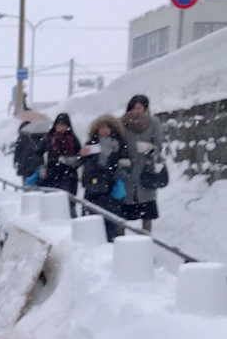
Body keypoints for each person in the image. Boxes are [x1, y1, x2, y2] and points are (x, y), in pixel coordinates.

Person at [79, 114, 129, 242]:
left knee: (111, 218)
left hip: (111, 186)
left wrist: (122, 168)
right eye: (101, 127)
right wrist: (82, 155)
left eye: (107, 127)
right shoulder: (91, 144)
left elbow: (127, 163)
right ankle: (92, 241)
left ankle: (112, 241)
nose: (104, 130)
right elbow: (81, 162)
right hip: (93, 186)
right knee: (92, 216)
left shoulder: (119, 144)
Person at [119, 93, 163, 235]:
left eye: (140, 107)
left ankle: (146, 239)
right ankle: (120, 240)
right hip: (127, 170)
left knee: (147, 210)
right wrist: (122, 157)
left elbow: (159, 146)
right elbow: (118, 143)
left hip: (146, 169)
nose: (137, 111)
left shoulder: (154, 122)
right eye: (134, 108)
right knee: (122, 208)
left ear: (145, 108)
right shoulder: (121, 123)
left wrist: (151, 149)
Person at [38, 112, 81, 216]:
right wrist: (42, 167)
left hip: (68, 176)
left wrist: (70, 160)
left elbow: (80, 157)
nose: (61, 127)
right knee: (52, 204)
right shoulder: (49, 138)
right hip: (51, 175)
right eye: (59, 124)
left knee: (68, 204)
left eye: (63, 125)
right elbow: (38, 153)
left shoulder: (73, 139)